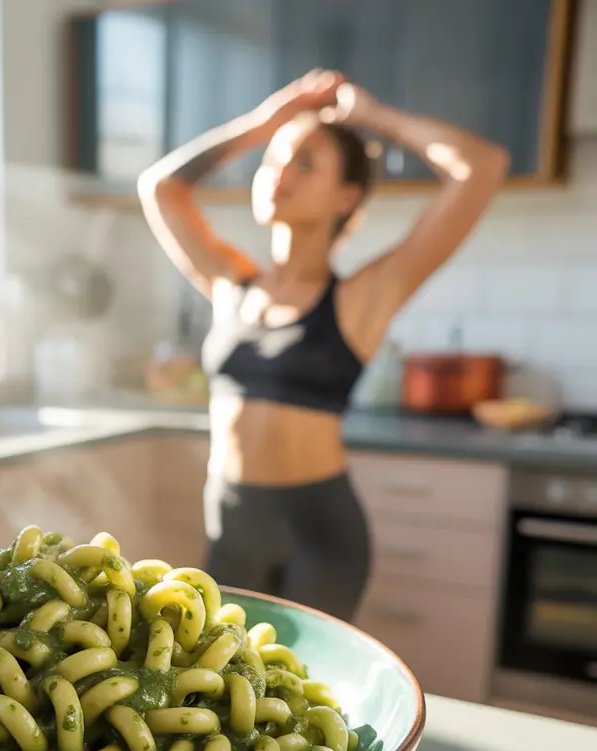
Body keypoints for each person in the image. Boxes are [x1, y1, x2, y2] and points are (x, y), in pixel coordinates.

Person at [138, 70, 508, 621]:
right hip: (231, 526)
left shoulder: (362, 296)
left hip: (319, 535)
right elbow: (160, 188)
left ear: (347, 196)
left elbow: (481, 167)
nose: (279, 172)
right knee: (218, 690)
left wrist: (374, 117)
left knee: (301, 698)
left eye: (306, 162)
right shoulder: (231, 284)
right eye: (274, 158)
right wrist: (261, 123)